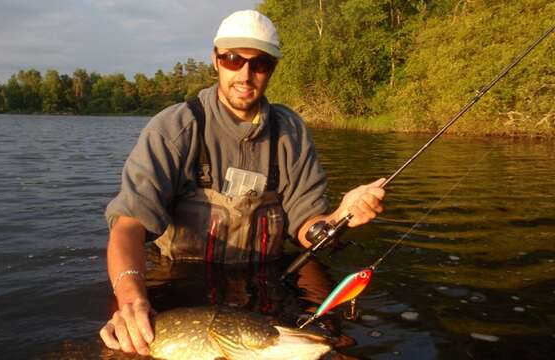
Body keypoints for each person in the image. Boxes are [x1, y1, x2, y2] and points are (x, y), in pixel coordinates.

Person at [98, 9, 386, 355]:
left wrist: (340, 217)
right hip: (180, 284)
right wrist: (130, 298)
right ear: (216, 60)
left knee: (332, 342)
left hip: (266, 285)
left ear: (273, 68)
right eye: (233, 59)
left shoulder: (290, 133)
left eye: (259, 63)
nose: (245, 74)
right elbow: (128, 223)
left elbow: (307, 225)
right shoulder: (175, 128)